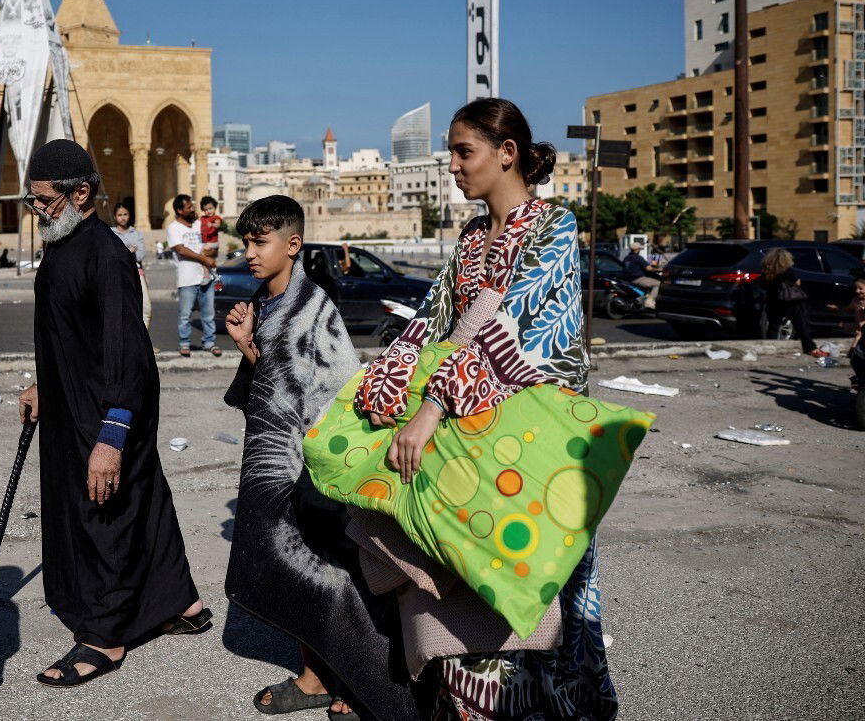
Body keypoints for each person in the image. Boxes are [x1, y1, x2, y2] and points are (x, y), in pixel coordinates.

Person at [309, 98, 622, 719]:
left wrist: (434, 403)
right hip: (475, 440)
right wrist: (389, 378)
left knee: (544, 583)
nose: (452, 165)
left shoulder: (554, 226)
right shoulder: (474, 237)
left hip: (536, 446)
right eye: (450, 151)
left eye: (463, 151)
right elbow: (432, 322)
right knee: (472, 585)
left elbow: (525, 325)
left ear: (507, 153)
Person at [16, 139, 209, 688]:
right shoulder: (61, 245)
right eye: (32, 203)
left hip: (108, 411)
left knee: (105, 513)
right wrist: (43, 383)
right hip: (71, 402)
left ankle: (105, 637)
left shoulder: (105, 253)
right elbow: (67, 333)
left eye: (44, 202)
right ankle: (183, 604)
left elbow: (129, 352)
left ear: (81, 194)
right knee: (145, 502)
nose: (38, 213)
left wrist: (113, 436)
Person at [222, 196, 418, 720]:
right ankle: (317, 675)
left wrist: (326, 461)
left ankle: (353, 682)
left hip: (313, 468)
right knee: (295, 573)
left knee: (333, 574)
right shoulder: (263, 302)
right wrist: (247, 345)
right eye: (246, 242)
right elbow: (272, 383)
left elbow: (342, 389)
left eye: (260, 242)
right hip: (272, 460)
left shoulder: (317, 309)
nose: (250, 253)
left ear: (292, 245)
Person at [167, 194, 220, 357]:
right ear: (179, 210)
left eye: (192, 206)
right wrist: (204, 257)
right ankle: (184, 343)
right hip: (187, 277)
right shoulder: (173, 228)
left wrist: (213, 250)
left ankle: (209, 342)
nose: (192, 209)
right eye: (189, 207)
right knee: (185, 314)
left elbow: (212, 242)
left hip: (207, 276)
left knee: (209, 314)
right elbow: (181, 249)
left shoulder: (199, 224)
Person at [760, 248, 824, 357]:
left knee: (773, 326)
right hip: (790, 302)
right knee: (801, 326)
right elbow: (797, 283)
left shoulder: (767, 273)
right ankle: (810, 348)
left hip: (773, 302)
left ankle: (770, 348)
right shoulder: (787, 271)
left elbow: (764, 286)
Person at [110, 202, 151, 328]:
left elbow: (140, 254)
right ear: (115, 216)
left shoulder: (136, 233)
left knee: (146, 308)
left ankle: (144, 342)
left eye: (125, 214)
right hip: (117, 274)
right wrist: (128, 252)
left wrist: (122, 252)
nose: (123, 217)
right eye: (120, 215)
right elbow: (111, 257)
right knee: (120, 309)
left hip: (137, 273)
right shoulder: (110, 233)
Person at [827, 275, 865, 347]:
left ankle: (852, 353)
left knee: (858, 339)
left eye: (860, 288)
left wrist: (852, 326)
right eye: (856, 288)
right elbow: (846, 310)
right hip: (861, 328)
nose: (857, 291)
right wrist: (837, 309)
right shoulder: (855, 300)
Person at [621, 243, 660, 309]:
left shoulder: (626, 258)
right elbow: (648, 268)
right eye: (639, 249)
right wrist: (659, 269)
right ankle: (649, 302)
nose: (640, 250)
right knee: (658, 284)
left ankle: (640, 299)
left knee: (647, 285)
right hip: (638, 279)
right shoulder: (638, 258)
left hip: (628, 279)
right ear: (638, 250)